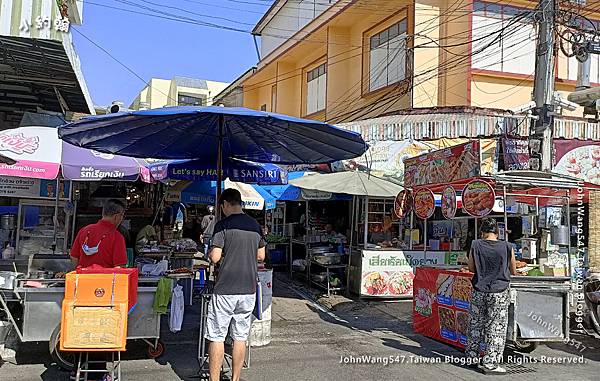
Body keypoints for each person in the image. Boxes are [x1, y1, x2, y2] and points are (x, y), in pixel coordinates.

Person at [206, 189, 265, 381]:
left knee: (217, 336)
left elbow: (214, 257)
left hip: (225, 289)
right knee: (240, 336)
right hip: (248, 289)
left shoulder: (223, 225)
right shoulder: (255, 225)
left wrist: (214, 254)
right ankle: (235, 379)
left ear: (225, 205)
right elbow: (261, 256)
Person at [465, 218, 517, 374]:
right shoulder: (507, 247)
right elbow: (513, 270)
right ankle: (491, 363)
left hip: (479, 291)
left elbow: (471, 268)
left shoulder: (475, 244)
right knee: (496, 328)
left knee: (475, 325)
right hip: (499, 292)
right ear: (497, 232)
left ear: (482, 232)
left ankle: (471, 358)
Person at [70, 199, 127, 268]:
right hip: (105, 278)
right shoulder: (117, 237)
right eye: (122, 216)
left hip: (83, 278)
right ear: (116, 217)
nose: (122, 219)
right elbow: (120, 266)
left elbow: (74, 257)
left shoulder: (84, 231)